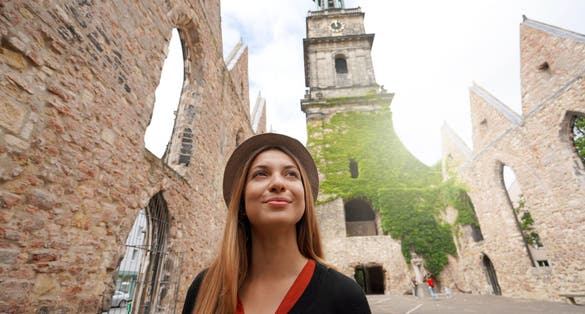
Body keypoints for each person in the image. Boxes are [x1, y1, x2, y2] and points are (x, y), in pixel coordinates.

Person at [182, 133, 371, 314]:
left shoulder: (345, 297)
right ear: (241, 201)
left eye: (291, 174)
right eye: (261, 174)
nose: (278, 183)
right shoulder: (204, 289)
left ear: (304, 199)